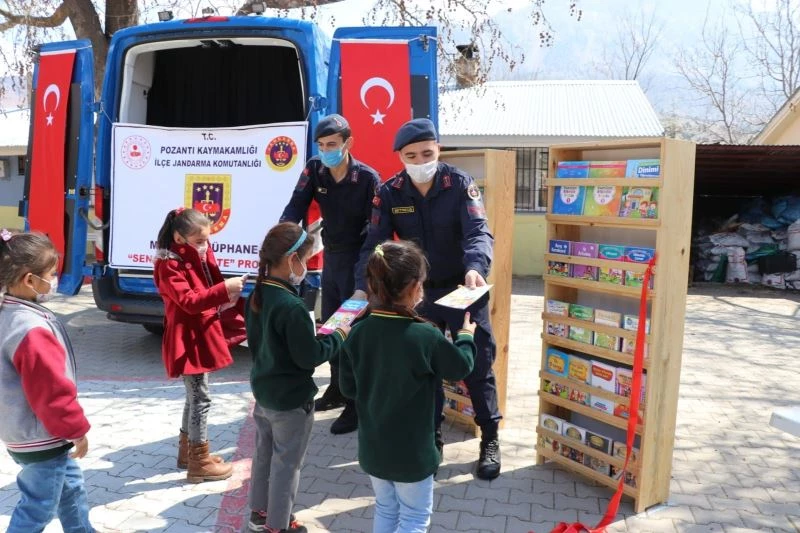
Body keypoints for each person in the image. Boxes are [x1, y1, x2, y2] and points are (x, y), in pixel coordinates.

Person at [353, 118, 503, 480]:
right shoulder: (390, 192)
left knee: (478, 364)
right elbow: (373, 242)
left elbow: (478, 232)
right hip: (417, 294)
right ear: (400, 156)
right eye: (411, 155)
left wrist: (476, 267)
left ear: (438, 150)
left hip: (463, 287)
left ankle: (491, 439)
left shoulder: (459, 184)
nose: (420, 160)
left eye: (427, 152)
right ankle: (430, 438)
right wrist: (364, 286)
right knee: (424, 369)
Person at [340, 240, 475, 533]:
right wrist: (465, 336)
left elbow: (348, 389)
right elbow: (460, 366)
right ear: (414, 287)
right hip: (412, 453)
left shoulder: (358, 331)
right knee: (414, 519)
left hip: (374, 449)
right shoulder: (424, 335)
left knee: (386, 510)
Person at [280, 113, 380, 435]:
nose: (326, 151)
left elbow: (375, 232)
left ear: (348, 143)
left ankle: (356, 404)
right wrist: (283, 235)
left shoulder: (367, 178)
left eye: (332, 145)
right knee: (331, 328)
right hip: (332, 259)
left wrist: (364, 279)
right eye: (322, 145)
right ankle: (337, 388)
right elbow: (295, 205)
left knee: (353, 332)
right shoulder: (315, 169)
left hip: (359, 260)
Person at [245, 222, 349, 533]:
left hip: (264, 392)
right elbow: (310, 356)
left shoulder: (259, 292)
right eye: (304, 258)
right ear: (292, 260)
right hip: (291, 400)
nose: (306, 265)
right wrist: (339, 335)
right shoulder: (290, 305)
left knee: (264, 456)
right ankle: (278, 525)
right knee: (287, 464)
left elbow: (263, 341)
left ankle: (259, 514)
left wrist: (310, 335)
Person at [0, 230, 95, 532]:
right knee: (38, 507)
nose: (54, 280)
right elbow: (52, 392)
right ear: (29, 280)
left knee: (71, 489)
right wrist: (76, 430)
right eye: (51, 274)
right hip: (43, 435)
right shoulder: (30, 328)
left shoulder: (9, 313)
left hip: (24, 431)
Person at [153, 208, 247, 483]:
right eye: (199, 240)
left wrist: (226, 294)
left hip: (199, 332)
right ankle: (200, 460)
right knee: (201, 398)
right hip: (187, 337)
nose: (205, 245)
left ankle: (188, 453)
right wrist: (223, 289)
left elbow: (208, 284)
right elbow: (190, 301)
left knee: (194, 396)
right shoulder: (169, 264)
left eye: (207, 239)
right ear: (179, 237)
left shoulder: (194, 252)